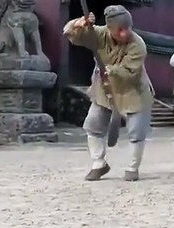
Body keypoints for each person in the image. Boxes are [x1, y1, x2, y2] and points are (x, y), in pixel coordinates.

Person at [63, 5, 154, 181]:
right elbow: (70, 34)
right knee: (93, 124)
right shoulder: (99, 34)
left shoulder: (138, 44)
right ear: (110, 28)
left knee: (137, 130)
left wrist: (110, 70)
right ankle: (99, 164)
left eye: (128, 28)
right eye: (120, 30)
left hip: (133, 90)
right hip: (104, 89)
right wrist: (80, 24)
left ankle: (132, 167)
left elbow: (130, 71)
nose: (125, 33)